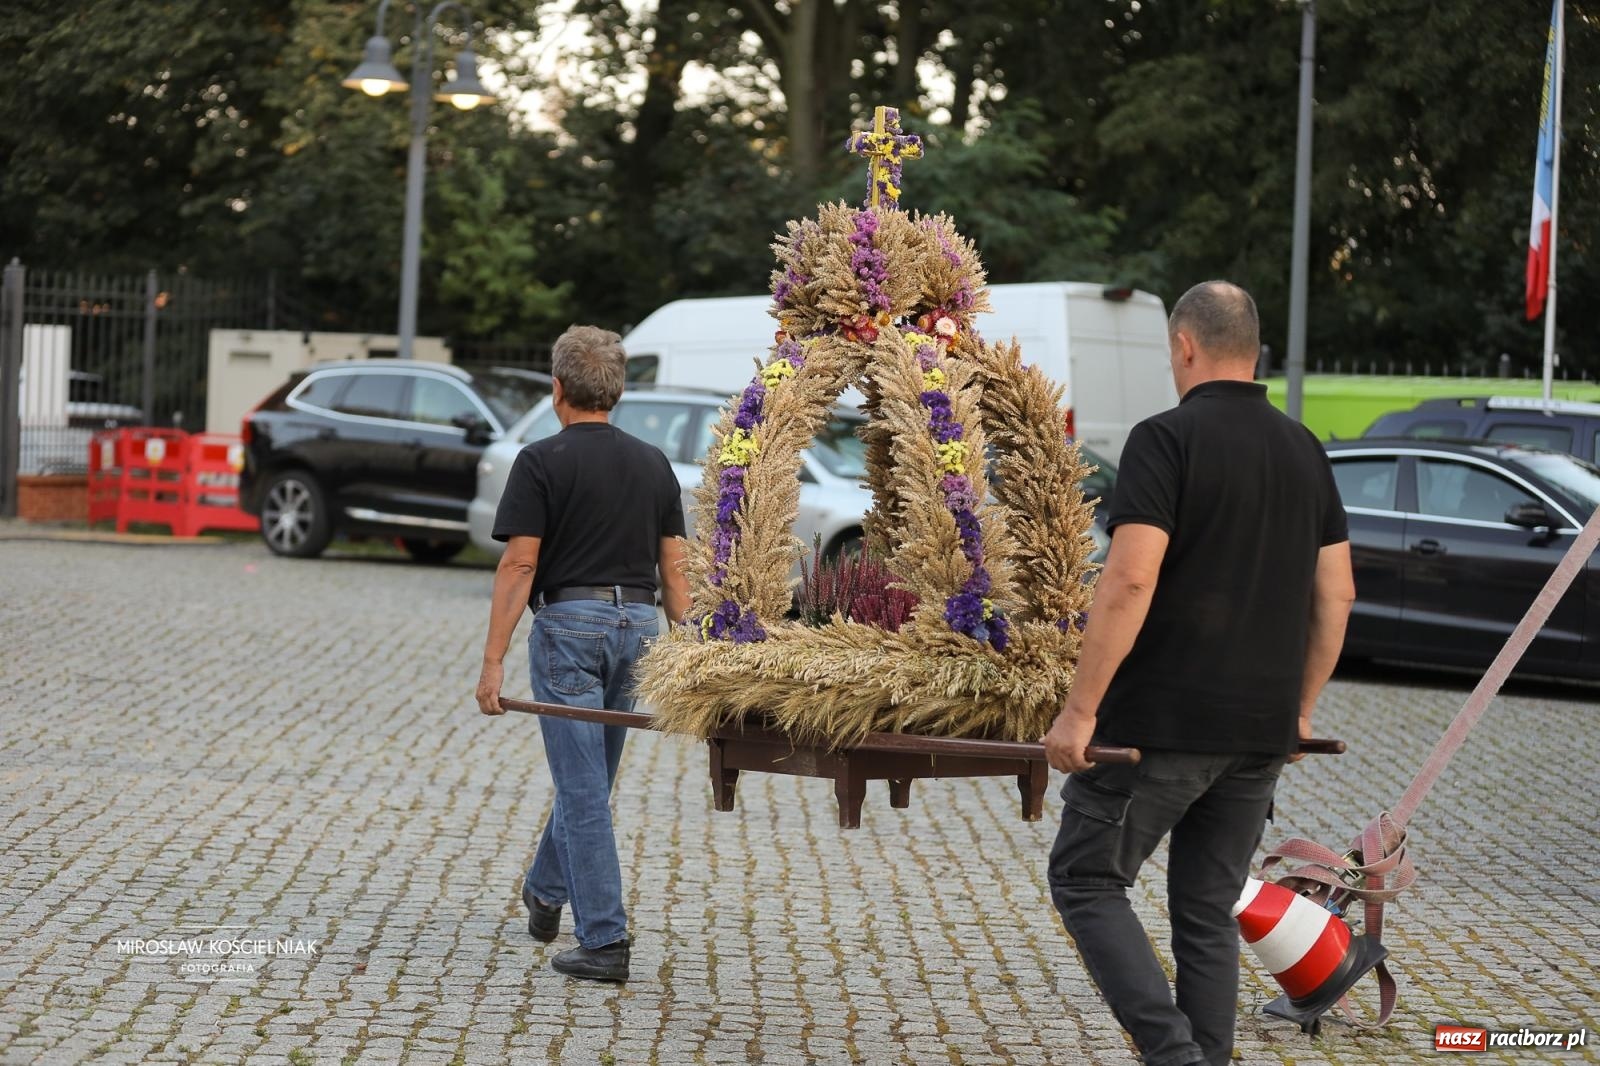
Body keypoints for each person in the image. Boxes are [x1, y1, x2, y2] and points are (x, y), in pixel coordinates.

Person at [1042, 281, 1354, 1066]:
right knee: (1208, 909)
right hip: (1259, 733)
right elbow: (1337, 592)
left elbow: (1129, 579)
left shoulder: (1164, 439)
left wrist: (1080, 712)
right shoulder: (1304, 448)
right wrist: (1302, 710)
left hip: (1159, 727)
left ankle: (1175, 1056)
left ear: (1184, 346)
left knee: (1085, 879)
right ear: (1254, 351)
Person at [475, 324, 692, 984]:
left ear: (558, 388)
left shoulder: (540, 461)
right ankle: (545, 893)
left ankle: (604, 940)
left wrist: (492, 661)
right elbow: (677, 571)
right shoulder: (654, 463)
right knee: (590, 781)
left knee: (582, 790)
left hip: (570, 625)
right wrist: (696, 651)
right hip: (639, 627)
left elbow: (519, 565)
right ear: (616, 391)